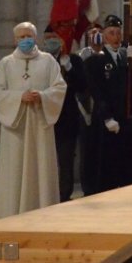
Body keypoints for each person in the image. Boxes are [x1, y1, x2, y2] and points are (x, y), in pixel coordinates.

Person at [0, 22, 67, 218]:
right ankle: (12, 213)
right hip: (16, 126)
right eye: (21, 36)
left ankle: (42, 212)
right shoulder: (6, 63)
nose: (26, 40)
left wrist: (42, 96)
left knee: (40, 167)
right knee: (14, 169)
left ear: (35, 37)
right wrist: (18, 97)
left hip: (40, 122)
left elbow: (59, 88)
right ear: (15, 39)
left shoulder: (48, 61)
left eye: (29, 35)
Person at [83, 14, 132, 191]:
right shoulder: (95, 60)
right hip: (107, 122)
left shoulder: (127, 57)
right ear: (104, 36)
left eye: (118, 33)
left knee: (127, 170)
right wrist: (107, 117)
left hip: (127, 120)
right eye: (111, 33)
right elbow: (97, 91)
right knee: (108, 169)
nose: (116, 37)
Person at [45, 25, 88, 202]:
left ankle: (64, 195)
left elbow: (82, 86)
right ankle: (47, 193)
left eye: (54, 37)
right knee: (46, 161)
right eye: (47, 38)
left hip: (67, 119)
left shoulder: (74, 60)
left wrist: (69, 68)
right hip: (46, 118)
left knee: (65, 160)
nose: (50, 41)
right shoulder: (42, 60)